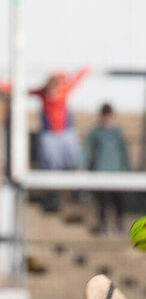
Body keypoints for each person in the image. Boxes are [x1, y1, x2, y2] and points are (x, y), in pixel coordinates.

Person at [30, 67, 90, 211]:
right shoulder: (42, 93)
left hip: (66, 134)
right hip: (49, 136)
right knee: (50, 166)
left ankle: (79, 189)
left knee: (75, 162)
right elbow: (23, 90)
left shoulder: (65, 89)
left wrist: (86, 69)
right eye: (50, 94)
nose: (53, 96)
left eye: (55, 93)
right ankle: (51, 197)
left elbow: (77, 79)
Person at [82, 103, 131, 234]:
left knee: (118, 200)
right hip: (101, 172)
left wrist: (127, 169)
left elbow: (124, 153)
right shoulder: (95, 132)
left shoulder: (117, 133)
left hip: (117, 173)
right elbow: (88, 150)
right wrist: (84, 167)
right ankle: (103, 224)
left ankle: (119, 223)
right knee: (102, 201)